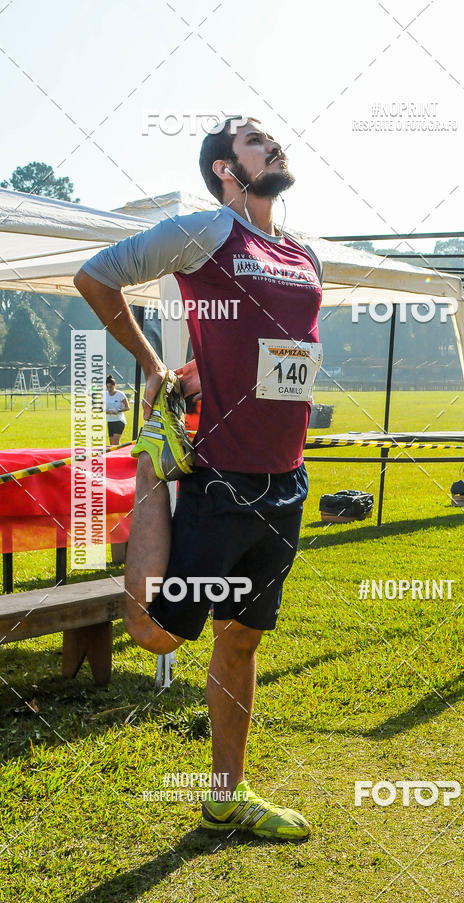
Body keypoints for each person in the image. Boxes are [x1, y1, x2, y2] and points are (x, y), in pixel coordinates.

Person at [74, 116, 323, 841]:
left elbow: (282, 353)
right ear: (224, 168)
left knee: (241, 638)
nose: (272, 144)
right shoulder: (210, 229)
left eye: (273, 137)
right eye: (253, 140)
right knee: (155, 634)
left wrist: (203, 372)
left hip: (289, 480)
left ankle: (225, 795)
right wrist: (156, 368)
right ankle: (152, 460)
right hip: (221, 478)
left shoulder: (304, 254)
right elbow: (98, 274)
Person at [104, 374, 130, 446]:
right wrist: (106, 411)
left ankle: (119, 455)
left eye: (111, 387)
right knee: (111, 443)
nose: (109, 389)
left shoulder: (120, 394)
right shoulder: (104, 395)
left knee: (115, 441)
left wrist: (118, 411)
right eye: (107, 387)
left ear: (114, 385)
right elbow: (100, 408)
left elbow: (127, 407)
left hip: (119, 420)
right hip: (110, 421)